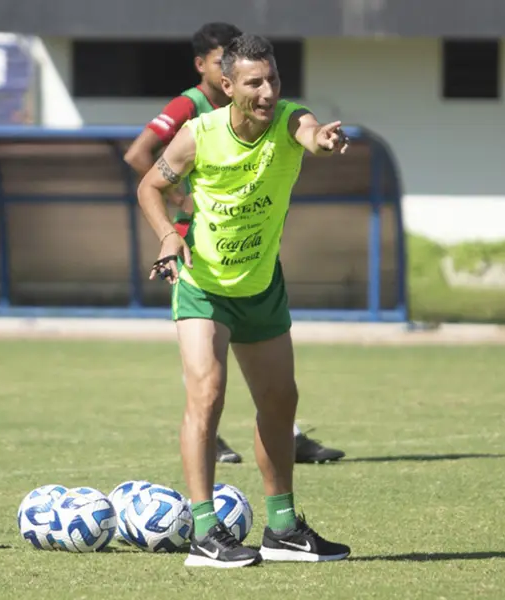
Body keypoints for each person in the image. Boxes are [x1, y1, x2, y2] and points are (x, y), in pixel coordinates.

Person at [136, 33, 352, 568]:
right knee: (207, 396)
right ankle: (205, 534)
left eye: (273, 79)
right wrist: (168, 235)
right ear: (227, 85)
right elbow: (149, 186)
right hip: (202, 285)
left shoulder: (289, 120)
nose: (267, 91)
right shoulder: (198, 134)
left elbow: (308, 132)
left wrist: (322, 140)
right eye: (254, 82)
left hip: (260, 286)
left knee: (281, 403)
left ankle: (282, 529)